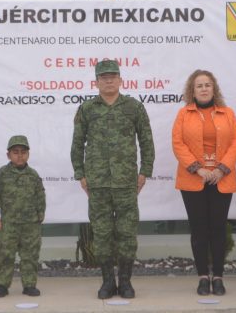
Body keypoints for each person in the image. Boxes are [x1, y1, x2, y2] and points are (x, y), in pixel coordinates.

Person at [71, 59, 155, 299]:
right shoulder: (87, 109)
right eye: (103, 77)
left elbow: (146, 141)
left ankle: (126, 282)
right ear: (96, 81)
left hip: (126, 182)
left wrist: (144, 172)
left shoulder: (134, 107)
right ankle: (108, 282)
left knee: (127, 233)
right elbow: (77, 144)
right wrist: (81, 174)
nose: (108, 80)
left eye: (112, 76)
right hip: (97, 183)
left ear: (120, 80)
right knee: (102, 233)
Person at [172, 70, 236, 296]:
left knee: (218, 229)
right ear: (192, 91)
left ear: (214, 89)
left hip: (221, 179)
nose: (203, 89)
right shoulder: (184, 114)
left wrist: (221, 169)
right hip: (194, 179)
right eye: (199, 85)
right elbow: (178, 143)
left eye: (207, 85)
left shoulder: (228, 113)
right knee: (199, 230)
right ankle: (203, 277)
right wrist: (198, 169)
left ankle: (219, 277)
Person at [0, 135, 46, 298]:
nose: (19, 156)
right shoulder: (2, 174)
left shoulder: (33, 175)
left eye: (23, 152)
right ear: (8, 155)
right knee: (5, 255)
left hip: (30, 224)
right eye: (15, 152)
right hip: (8, 224)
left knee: (30, 255)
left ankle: (29, 285)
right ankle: (2, 285)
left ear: (28, 154)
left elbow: (40, 196)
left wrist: (40, 215)